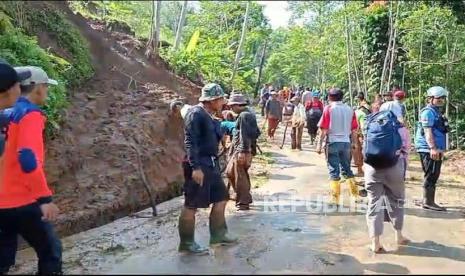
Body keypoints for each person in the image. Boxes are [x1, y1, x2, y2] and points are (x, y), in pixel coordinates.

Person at [0, 66, 62, 275]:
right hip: (22, 200)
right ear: (36, 89)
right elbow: (27, 159)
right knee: (50, 251)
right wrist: (44, 199)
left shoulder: (6, 113)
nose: (47, 92)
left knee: (3, 256)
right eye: (46, 87)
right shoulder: (31, 115)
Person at [179, 83, 237, 255]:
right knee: (191, 204)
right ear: (212, 100)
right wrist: (195, 167)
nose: (223, 102)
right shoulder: (195, 114)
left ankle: (219, 235)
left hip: (210, 164)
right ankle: (187, 243)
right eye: (220, 99)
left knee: (221, 198)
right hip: (198, 164)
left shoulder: (209, 115)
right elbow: (190, 141)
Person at [364, 111, 410, 254]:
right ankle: (399, 236)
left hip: (372, 168)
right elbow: (406, 151)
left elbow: (365, 148)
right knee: (396, 201)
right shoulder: (402, 129)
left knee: (374, 203)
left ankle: (375, 243)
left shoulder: (370, 126)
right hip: (394, 167)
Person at [316, 88, 359, 205]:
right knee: (347, 168)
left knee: (334, 170)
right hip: (346, 142)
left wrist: (319, 145)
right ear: (342, 97)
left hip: (333, 142)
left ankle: (335, 199)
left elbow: (324, 129)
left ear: (329, 97)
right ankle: (355, 195)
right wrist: (354, 143)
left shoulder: (329, 109)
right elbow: (354, 129)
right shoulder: (350, 109)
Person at [415, 86, 449, 212]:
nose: (441, 100)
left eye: (442, 98)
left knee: (432, 173)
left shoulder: (436, 112)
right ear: (430, 99)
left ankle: (426, 199)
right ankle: (428, 202)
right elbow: (427, 131)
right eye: (438, 98)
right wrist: (433, 148)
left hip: (435, 148)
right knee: (432, 174)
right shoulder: (428, 112)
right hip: (429, 149)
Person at [226, 94, 260, 211]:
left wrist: (243, 151)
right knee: (231, 172)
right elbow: (256, 133)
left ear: (237, 105)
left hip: (242, 151)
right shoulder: (247, 114)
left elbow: (244, 135)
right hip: (242, 149)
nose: (231, 108)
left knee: (239, 175)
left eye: (232, 106)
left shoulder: (244, 116)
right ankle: (242, 196)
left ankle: (243, 202)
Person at [353, 92, 371, 176]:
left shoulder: (361, 110)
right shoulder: (368, 107)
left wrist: (362, 134)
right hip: (368, 132)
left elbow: (362, 124)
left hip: (361, 132)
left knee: (358, 151)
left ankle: (361, 170)